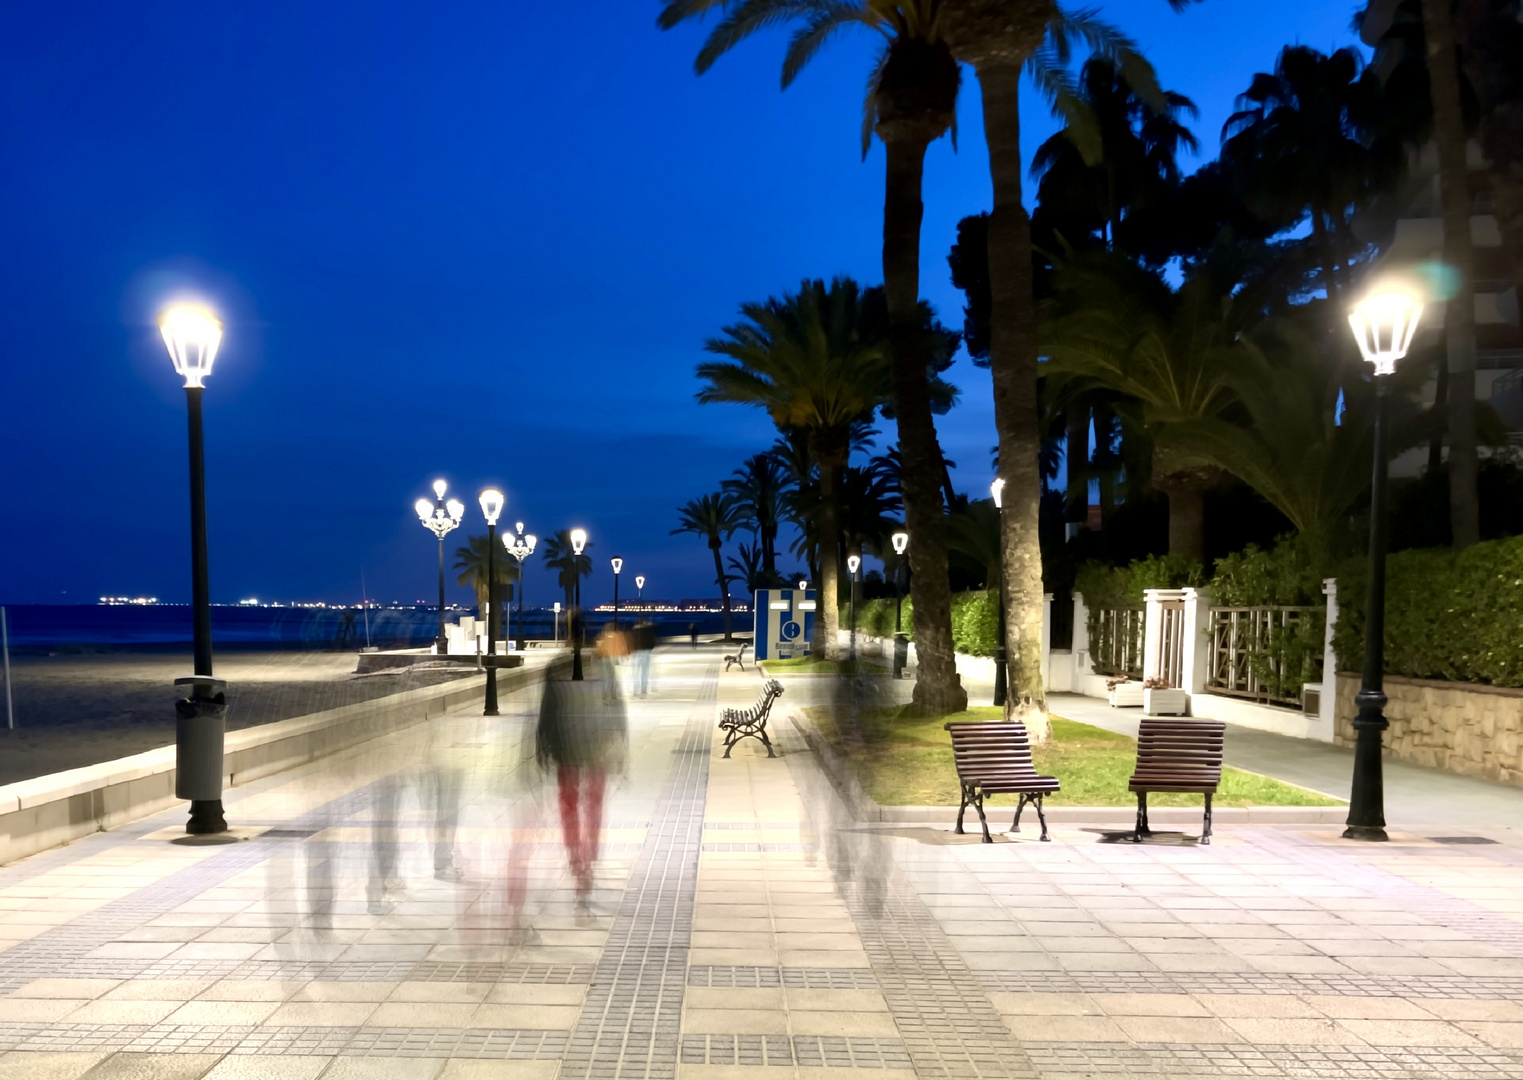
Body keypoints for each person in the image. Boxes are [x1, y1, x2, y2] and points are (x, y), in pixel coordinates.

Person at [535, 641, 627, 905]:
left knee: (569, 803)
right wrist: (620, 740)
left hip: (568, 747)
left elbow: (547, 710)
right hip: (597, 746)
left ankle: (576, 856)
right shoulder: (604, 665)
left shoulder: (557, 666)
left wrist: (543, 744)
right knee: (593, 802)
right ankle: (588, 854)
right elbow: (616, 706)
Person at [632, 620, 655, 696]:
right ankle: (643, 689)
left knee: (635, 671)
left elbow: (630, 642)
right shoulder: (648, 631)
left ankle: (635, 689)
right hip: (645, 652)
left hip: (636, 652)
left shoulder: (634, 631)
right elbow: (652, 642)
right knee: (644, 671)